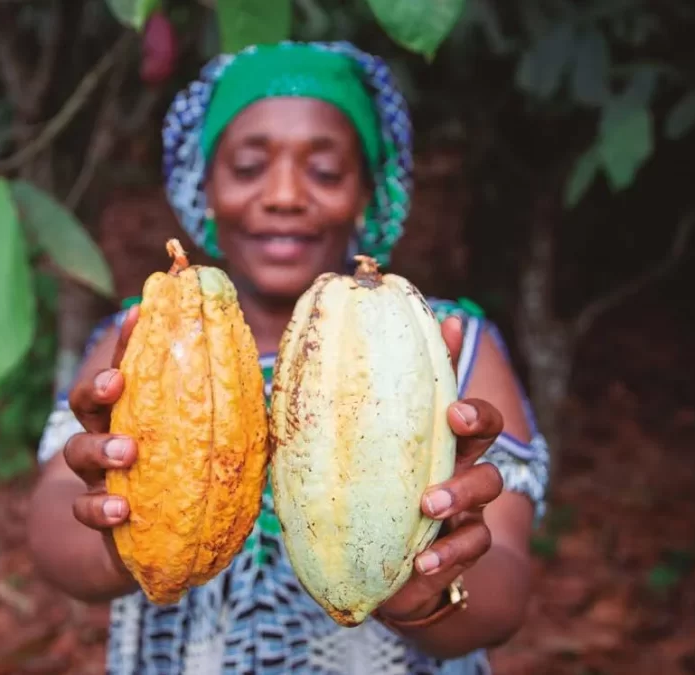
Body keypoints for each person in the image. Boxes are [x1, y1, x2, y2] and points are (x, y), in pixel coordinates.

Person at [27, 40, 550, 675]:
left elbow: (508, 585)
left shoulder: (444, 347)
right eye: (249, 167)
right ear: (205, 186)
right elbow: (53, 515)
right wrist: (122, 540)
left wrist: (427, 590)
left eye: (325, 172)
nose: (283, 195)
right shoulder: (144, 339)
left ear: (366, 190)